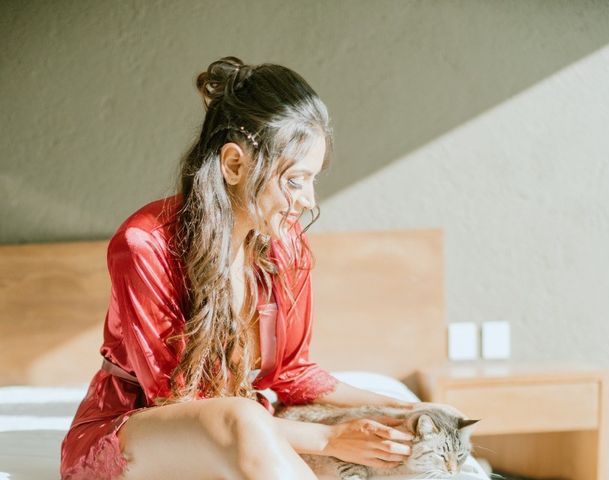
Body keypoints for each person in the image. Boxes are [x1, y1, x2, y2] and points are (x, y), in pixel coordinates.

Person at [59, 56, 429, 480]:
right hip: (134, 434)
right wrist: (329, 438)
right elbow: (180, 400)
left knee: (250, 421)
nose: (308, 199)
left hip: (242, 432)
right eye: (294, 180)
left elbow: (293, 373)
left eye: (312, 180)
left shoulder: (285, 242)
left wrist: (404, 408)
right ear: (234, 165)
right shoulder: (144, 244)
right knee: (242, 418)